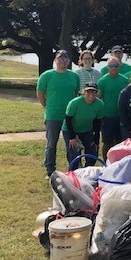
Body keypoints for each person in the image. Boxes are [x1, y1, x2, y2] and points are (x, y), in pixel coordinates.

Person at [36, 50, 81, 178]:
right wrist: (47, 107)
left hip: (70, 116)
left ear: (69, 61)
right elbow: (40, 94)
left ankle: (73, 170)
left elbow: (76, 95)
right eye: (60, 59)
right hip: (53, 116)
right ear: (55, 60)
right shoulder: (46, 76)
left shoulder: (74, 76)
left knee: (72, 144)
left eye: (65, 59)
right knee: (51, 144)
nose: (63, 61)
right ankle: (50, 170)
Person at [62, 82, 104, 169]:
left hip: (87, 130)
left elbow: (97, 123)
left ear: (97, 93)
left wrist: (96, 140)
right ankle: (73, 174)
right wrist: (72, 137)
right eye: (88, 91)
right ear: (84, 92)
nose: (91, 94)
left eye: (94, 92)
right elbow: (68, 120)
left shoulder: (100, 104)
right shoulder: (74, 103)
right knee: (74, 154)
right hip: (71, 129)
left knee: (93, 153)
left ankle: (86, 172)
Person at [97, 56, 130, 158]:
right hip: (107, 116)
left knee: (119, 142)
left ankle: (117, 162)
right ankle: (105, 164)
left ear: (119, 66)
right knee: (107, 142)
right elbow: (98, 99)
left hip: (121, 116)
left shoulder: (124, 80)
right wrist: (100, 116)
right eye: (111, 66)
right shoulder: (102, 81)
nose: (114, 68)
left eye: (116, 65)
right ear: (107, 67)